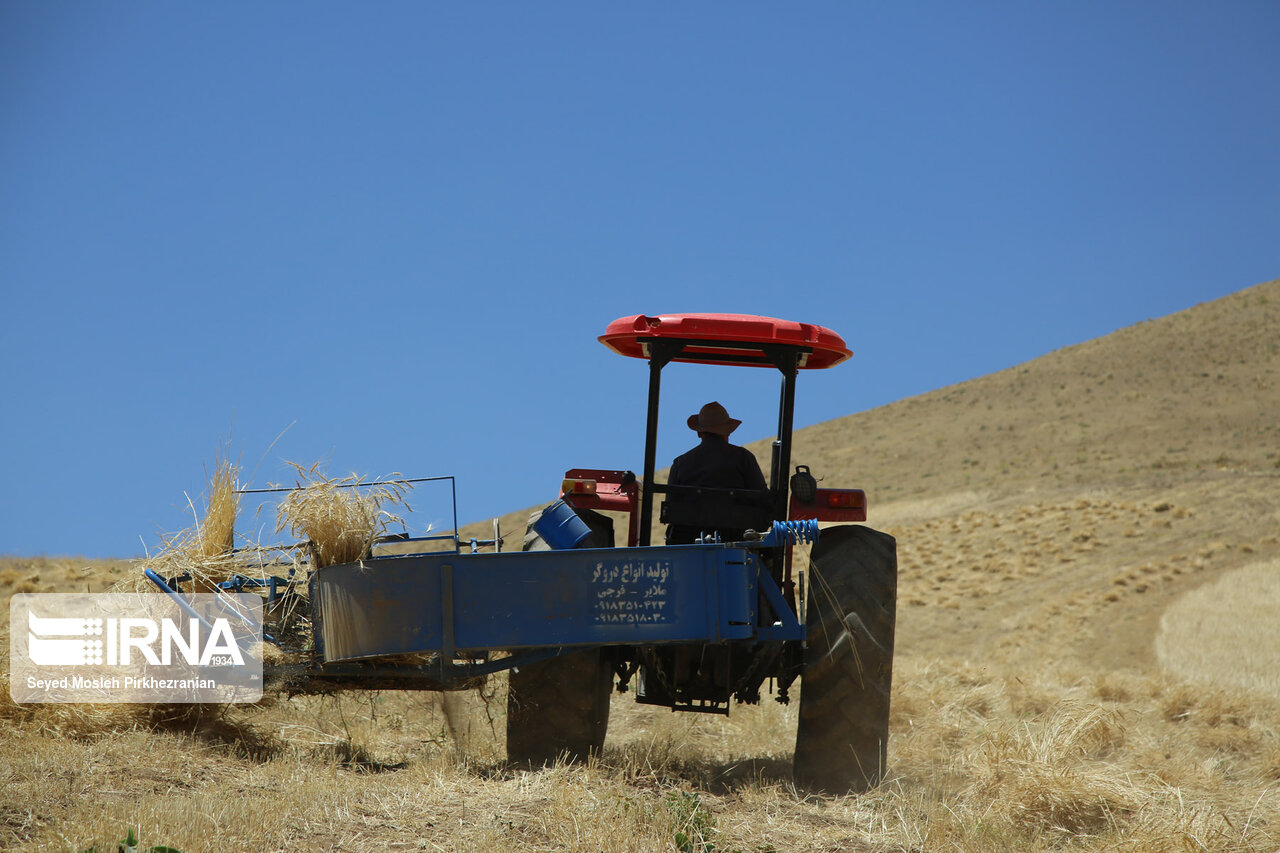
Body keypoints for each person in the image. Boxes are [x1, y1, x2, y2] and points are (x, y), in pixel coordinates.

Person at [666, 402, 768, 543]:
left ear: (699, 432)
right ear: (728, 431)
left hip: (687, 540)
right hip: (738, 538)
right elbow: (762, 499)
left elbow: (671, 508)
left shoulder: (680, 463)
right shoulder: (744, 458)